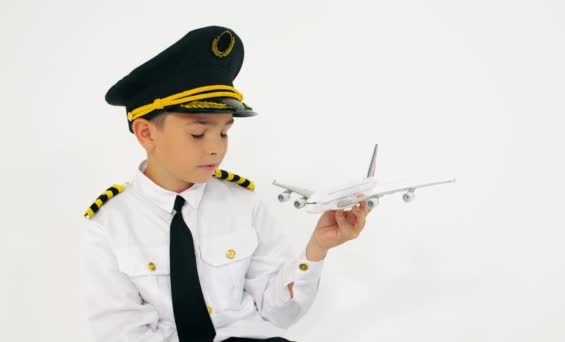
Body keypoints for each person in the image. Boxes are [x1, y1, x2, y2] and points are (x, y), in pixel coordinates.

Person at [80, 26, 370, 342]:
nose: (216, 148)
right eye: (197, 133)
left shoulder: (241, 203)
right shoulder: (108, 225)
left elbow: (278, 312)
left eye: (224, 132)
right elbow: (122, 333)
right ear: (146, 133)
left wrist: (317, 249)